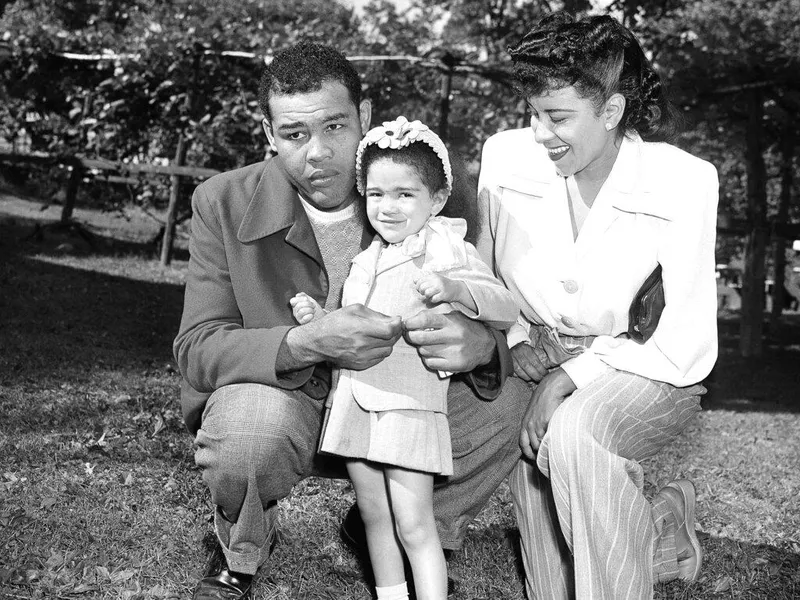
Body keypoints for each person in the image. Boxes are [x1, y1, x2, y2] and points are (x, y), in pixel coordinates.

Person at [173, 41, 529, 600]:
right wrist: (303, 341)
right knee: (246, 431)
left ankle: (402, 530)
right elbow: (197, 346)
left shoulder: (431, 186)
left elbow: (491, 301)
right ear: (268, 134)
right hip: (288, 398)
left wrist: (480, 343)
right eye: (294, 135)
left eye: (335, 127)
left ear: (365, 116)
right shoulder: (221, 201)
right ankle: (242, 548)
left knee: (513, 398)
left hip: (403, 397)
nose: (317, 153)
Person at [476, 12, 719, 599]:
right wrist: (515, 344)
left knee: (574, 430)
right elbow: (481, 277)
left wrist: (567, 376)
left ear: (611, 112)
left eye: (557, 117)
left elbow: (683, 339)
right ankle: (654, 525)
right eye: (533, 113)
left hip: (650, 367)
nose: (539, 132)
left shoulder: (686, 181)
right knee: (522, 428)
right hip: (535, 351)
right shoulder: (504, 158)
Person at [291, 115, 519, 600]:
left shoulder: (444, 246)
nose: (387, 207)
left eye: (404, 194)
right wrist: (319, 317)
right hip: (356, 401)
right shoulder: (367, 256)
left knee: (414, 521)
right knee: (374, 515)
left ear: (435, 200)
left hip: (409, 405)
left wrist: (456, 288)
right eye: (375, 194)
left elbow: (504, 306)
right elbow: (355, 321)